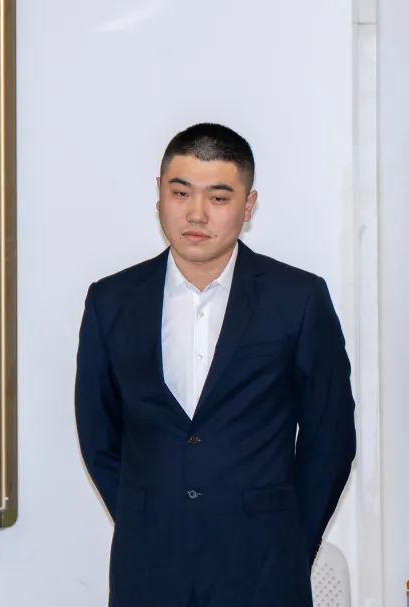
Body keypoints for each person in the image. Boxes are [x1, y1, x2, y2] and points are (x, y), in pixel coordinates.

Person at [74, 123, 356, 606]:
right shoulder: (111, 301)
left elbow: (329, 441)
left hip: (264, 571)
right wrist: (147, 517)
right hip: (148, 572)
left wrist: (288, 544)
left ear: (248, 206)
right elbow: (99, 436)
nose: (196, 213)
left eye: (219, 198)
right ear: (159, 194)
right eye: (180, 192)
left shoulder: (298, 299)